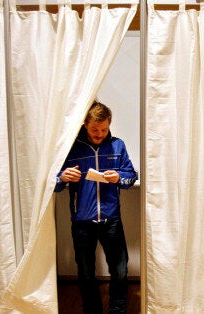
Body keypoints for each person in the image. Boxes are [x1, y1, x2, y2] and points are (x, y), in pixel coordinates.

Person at [55, 101, 137, 314]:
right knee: (86, 274)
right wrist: (63, 177)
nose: (100, 133)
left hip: (111, 221)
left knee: (120, 271)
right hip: (82, 222)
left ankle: (117, 311)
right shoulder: (71, 148)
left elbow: (131, 176)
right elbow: (53, 184)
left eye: (104, 129)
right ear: (84, 124)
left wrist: (119, 176)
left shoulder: (118, 145)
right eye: (94, 129)